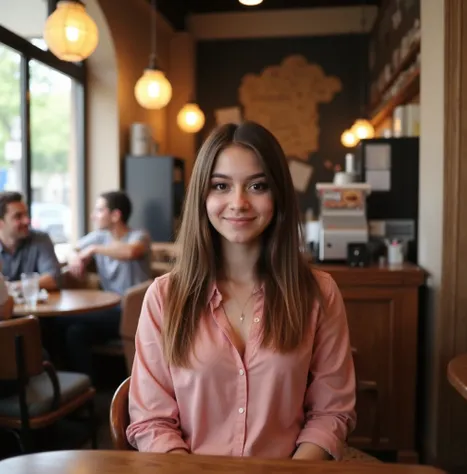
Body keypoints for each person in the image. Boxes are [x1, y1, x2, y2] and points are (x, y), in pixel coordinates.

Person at [126, 122, 356, 460]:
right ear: (202, 196)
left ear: (277, 195)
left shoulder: (319, 293)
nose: (239, 202)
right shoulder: (164, 297)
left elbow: (331, 411)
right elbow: (152, 420)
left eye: (257, 186)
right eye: (221, 185)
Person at [63, 190, 151, 377]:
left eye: (99, 210)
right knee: (75, 332)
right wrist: (75, 258)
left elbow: (130, 253)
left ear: (115, 215)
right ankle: (85, 388)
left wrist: (93, 250)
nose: (93, 215)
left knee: (64, 319)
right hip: (110, 308)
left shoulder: (139, 236)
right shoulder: (100, 236)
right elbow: (73, 249)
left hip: (134, 311)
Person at [0, 191, 60, 291]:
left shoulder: (40, 239)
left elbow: (53, 278)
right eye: (18, 216)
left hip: (36, 306)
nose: (27, 220)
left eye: (26, 214)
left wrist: (12, 287)